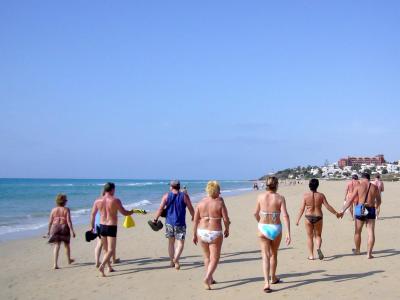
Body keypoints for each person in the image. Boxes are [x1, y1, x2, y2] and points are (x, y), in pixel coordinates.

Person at [254, 176, 291, 293]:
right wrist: (288, 233)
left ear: (266, 185)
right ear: (277, 185)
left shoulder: (260, 196)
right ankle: (273, 277)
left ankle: (266, 283)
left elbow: (255, 213)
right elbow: (285, 216)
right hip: (276, 228)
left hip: (263, 227)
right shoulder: (280, 198)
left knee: (265, 256)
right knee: (274, 254)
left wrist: (260, 222)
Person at [90, 182, 134, 276]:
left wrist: (92, 226)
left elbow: (93, 214)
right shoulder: (115, 200)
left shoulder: (97, 201)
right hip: (111, 226)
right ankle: (102, 266)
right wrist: (132, 212)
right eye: (114, 189)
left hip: (101, 226)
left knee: (106, 249)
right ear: (112, 190)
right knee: (111, 249)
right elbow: (124, 212)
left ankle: (109, 268)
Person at [192, 181, 230, 290]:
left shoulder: (200, 203)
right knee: (215, 258)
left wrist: (194, 234)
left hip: (201, 232)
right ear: (216, 191)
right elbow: (226, 219)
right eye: (219, 190)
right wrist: (227, 229)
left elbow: (195, 220)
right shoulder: (220, 203)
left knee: (207, 257)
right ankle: (208, 277)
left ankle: (210, 279)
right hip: (215, 232)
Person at [152, 180, 194, 270]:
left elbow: (160, 209)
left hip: (169, 223)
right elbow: (190, 207)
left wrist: (155, 219)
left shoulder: (166, 196)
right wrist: (194, 216)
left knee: (171, 243)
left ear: (171, 186)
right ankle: (176, 259)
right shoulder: (184, 196)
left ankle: (172, 261)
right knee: (180, 243)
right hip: (180, 223)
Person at [295, 179, 340, 260]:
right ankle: (318, 248)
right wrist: (336, 213)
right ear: (317, 185)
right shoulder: (321, 195)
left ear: (309, 185)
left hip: (308, 217)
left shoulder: (305, 196)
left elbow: (302, 209)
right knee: (318, 235)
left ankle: (311, 255)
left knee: (309, 237)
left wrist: (298, 219)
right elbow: (327, 206)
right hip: (318, 217)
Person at [341, 172, 381, 259]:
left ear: (362, 178)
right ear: (369, 178)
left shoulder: (358, 186)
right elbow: (379, 201)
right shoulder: (375, 187)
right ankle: (369, 254)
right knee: (371, 232)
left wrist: (343, 211)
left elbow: (350, 200)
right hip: (370, 209)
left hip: (360, 208)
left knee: (358, 231)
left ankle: (358, 250)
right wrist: (375, 207)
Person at [47, 194, 76, 269]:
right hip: (64, 227)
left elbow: (50, 221)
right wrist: (72, 231)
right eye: (66, 200)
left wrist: (48, 231)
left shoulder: (53, 210)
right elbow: (69, 221)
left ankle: (55, 264)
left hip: (55, 227)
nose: (67, 201)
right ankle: (69, 260)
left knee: (57, 245)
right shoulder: (66, 209)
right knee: (67, 245)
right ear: (64, 202)